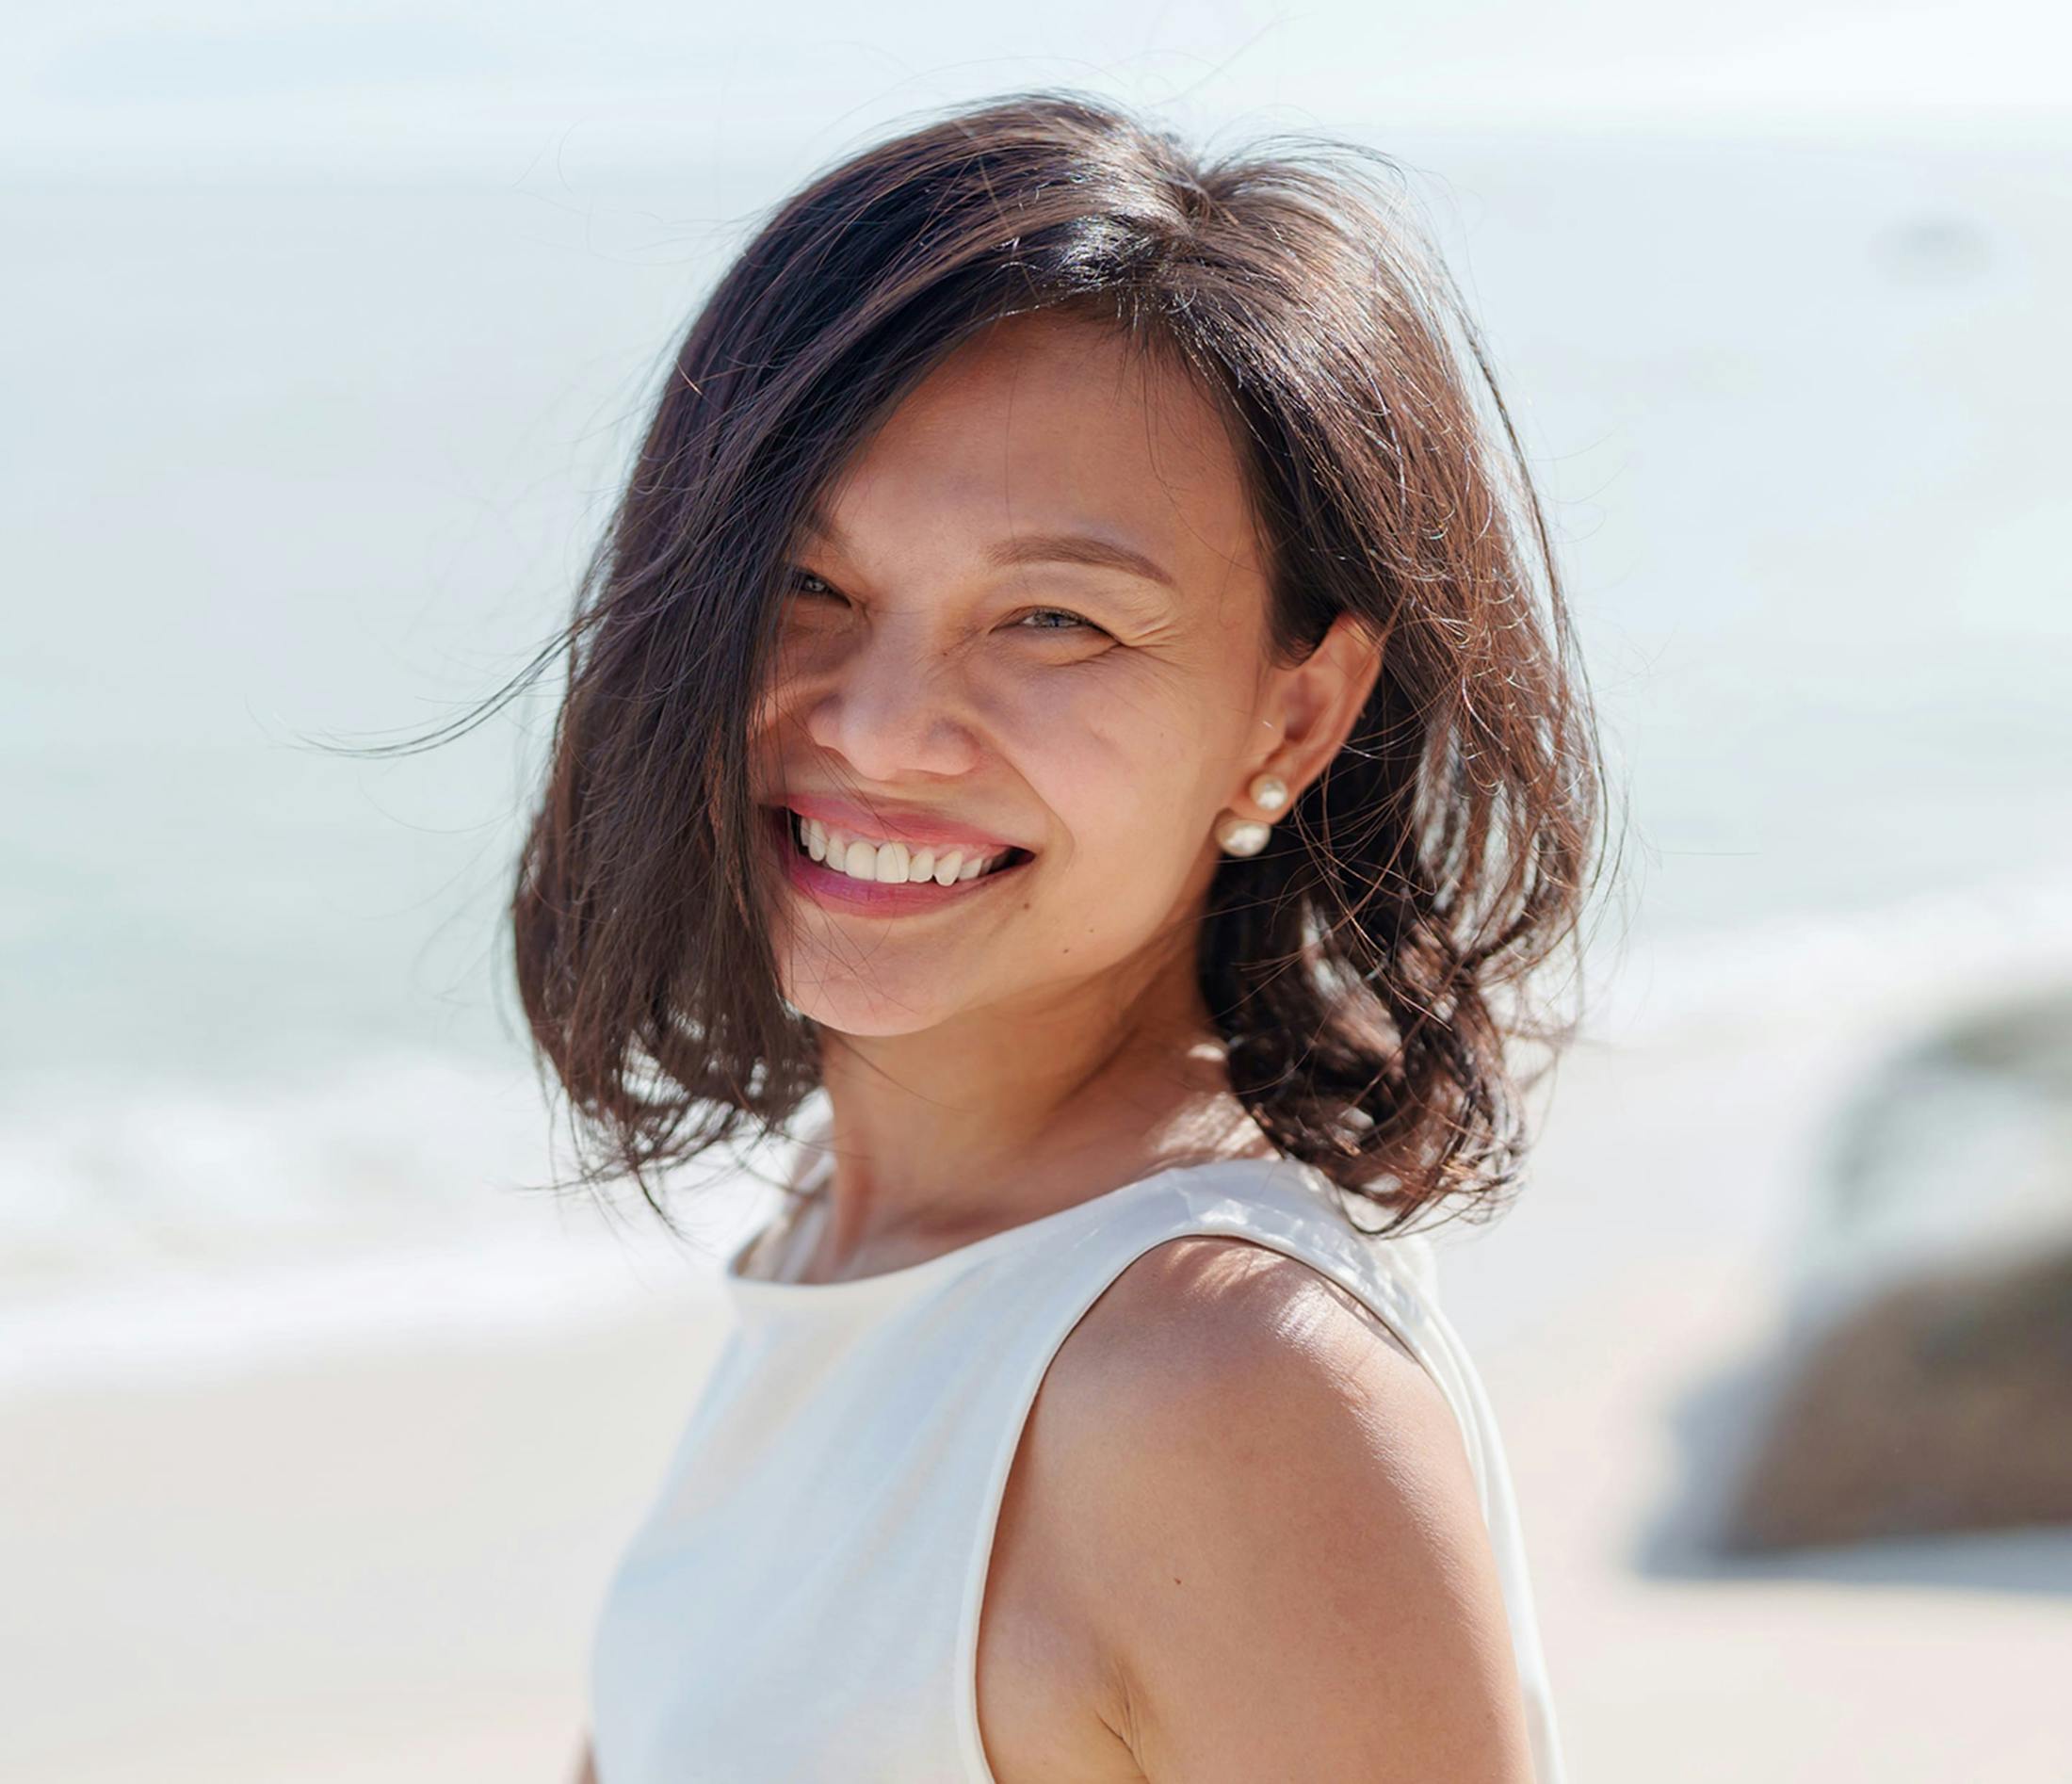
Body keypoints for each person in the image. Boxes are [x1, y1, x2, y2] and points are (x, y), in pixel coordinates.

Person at [523, 89, 1612, 1782]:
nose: (880, 731)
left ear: (1293, 713)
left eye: (1053, 618)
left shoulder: (1227, 1389)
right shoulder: (860, 1229)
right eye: (806, 587)